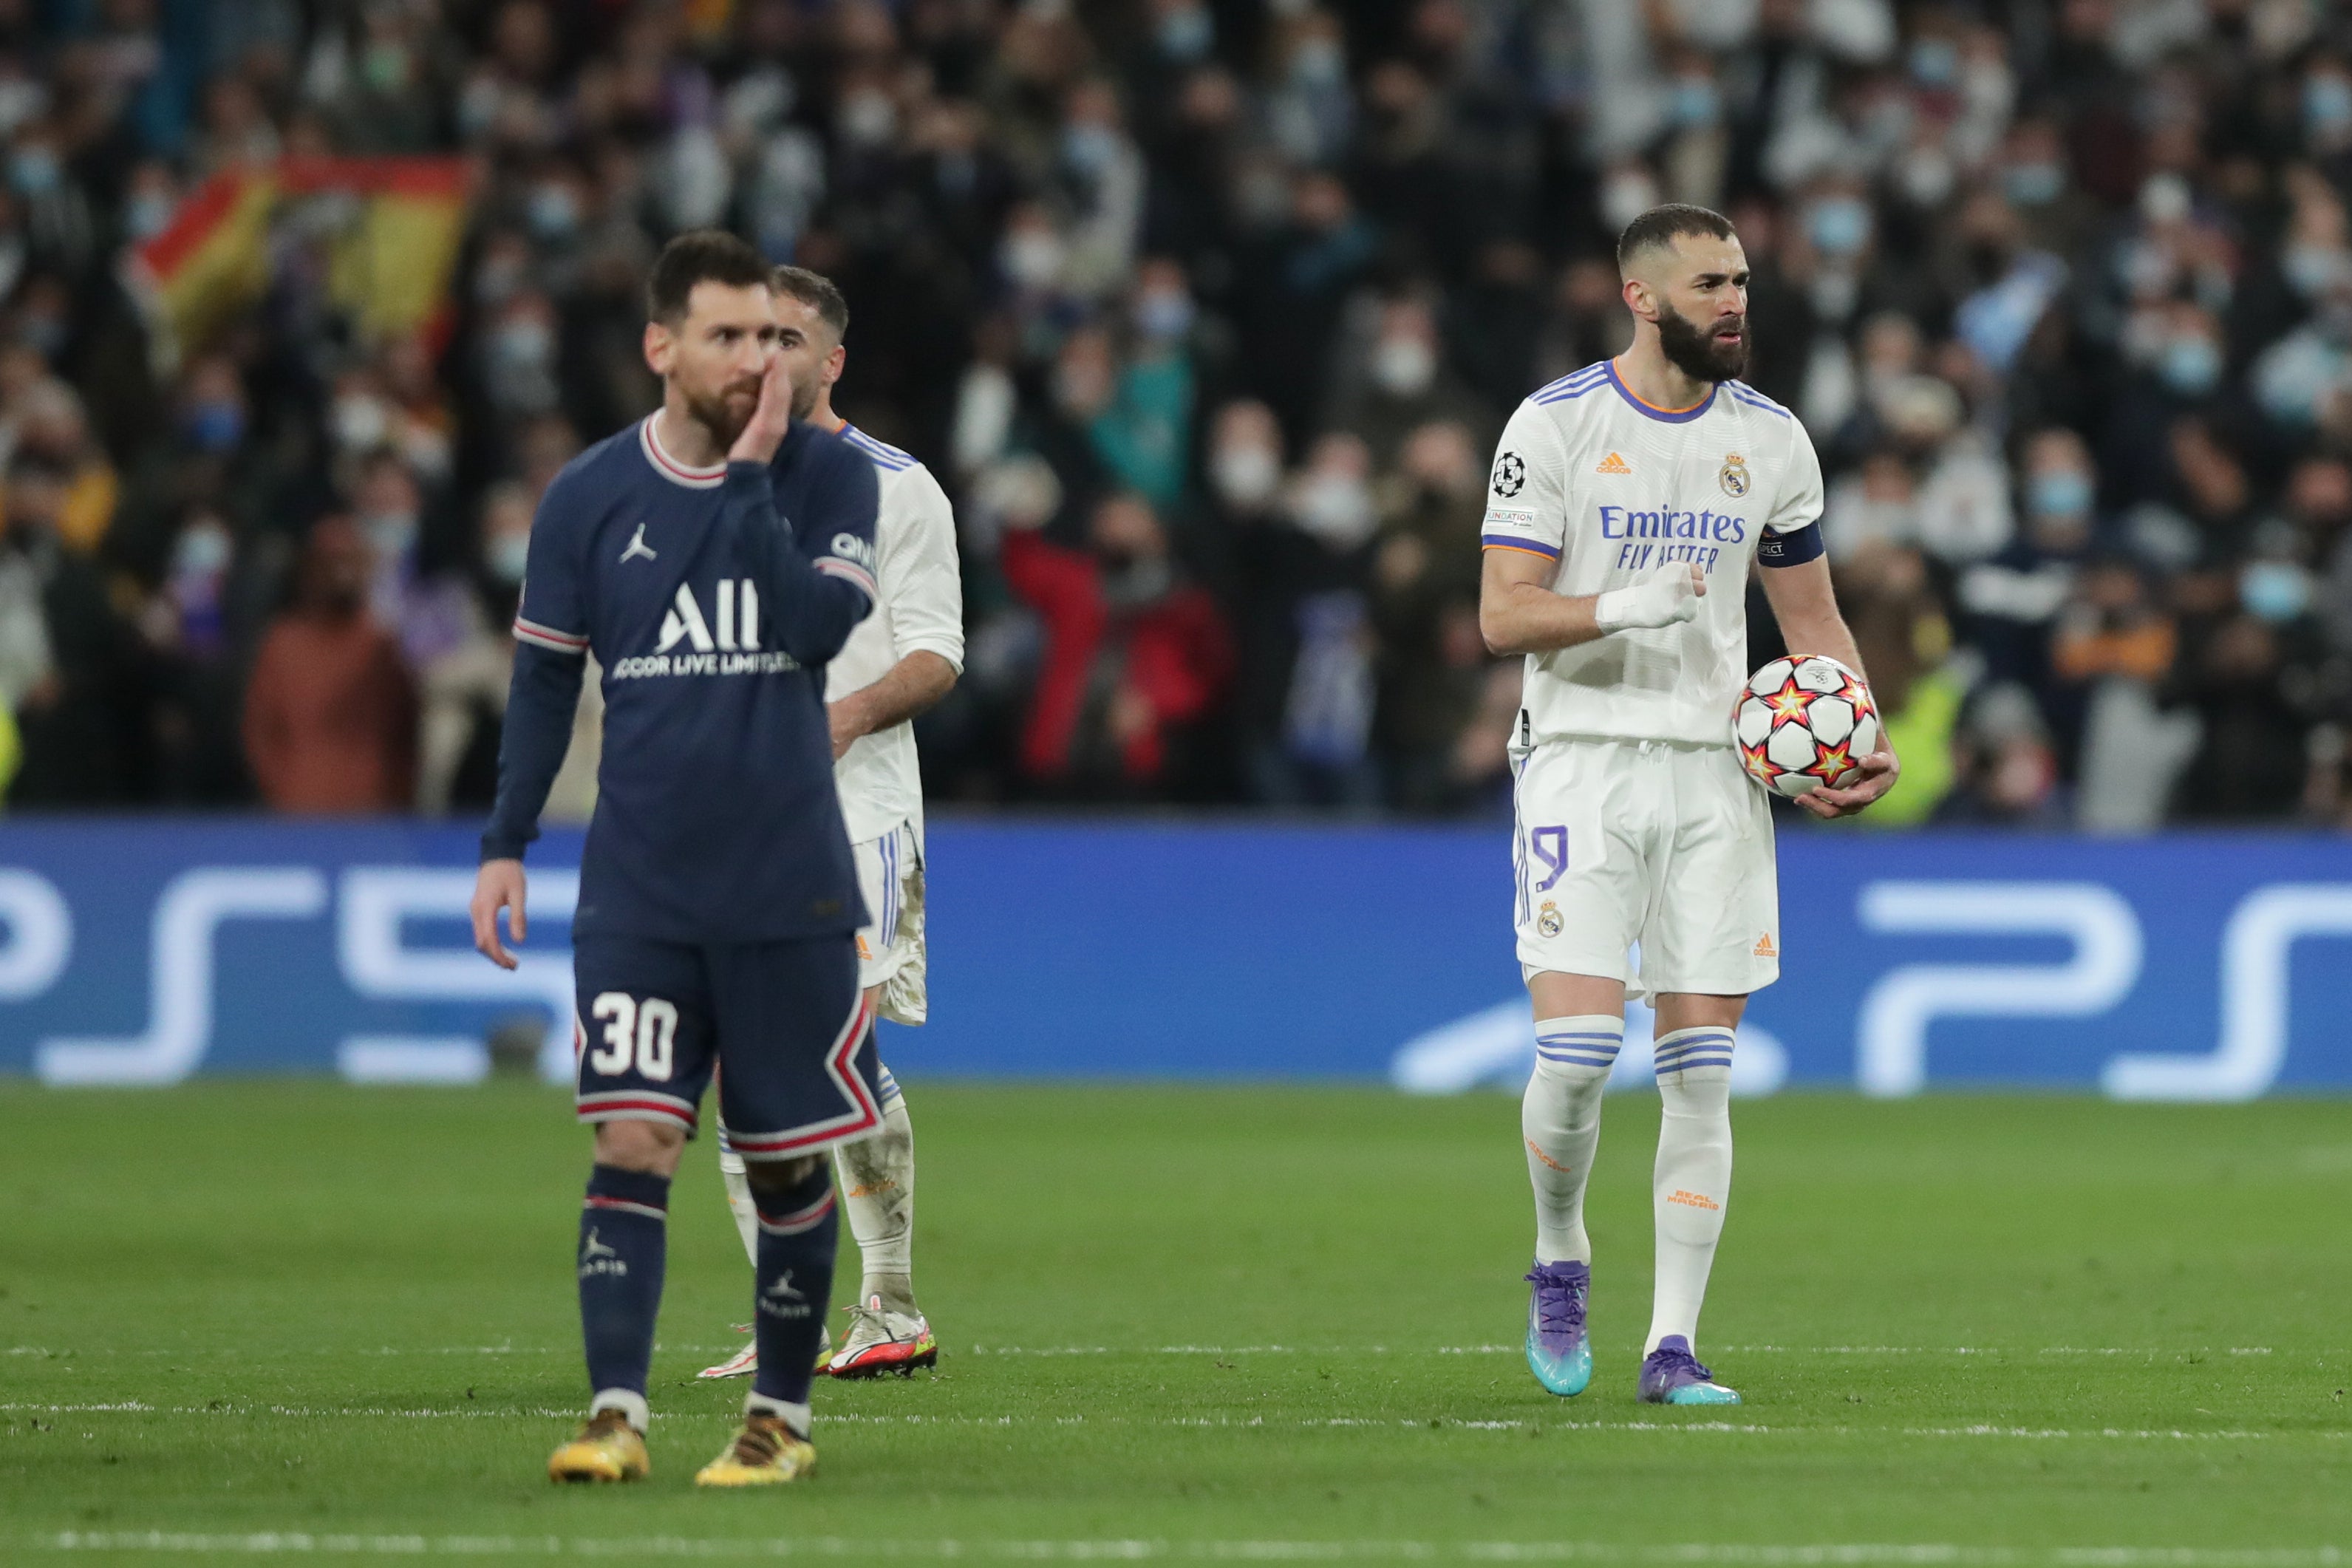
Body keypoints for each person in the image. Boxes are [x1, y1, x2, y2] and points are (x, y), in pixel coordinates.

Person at [468, 231, 882, 1488]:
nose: (758, 358)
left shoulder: (826, 481)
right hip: (641, 886)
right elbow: (543, 681)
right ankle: (615, 1414)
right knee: (633, 1142)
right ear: (663, 347)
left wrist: (754, 477)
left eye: (771, 336)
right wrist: (505, 843)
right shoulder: (589, 497)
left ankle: (778, 1419)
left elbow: (816, 628)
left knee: (783, 1159)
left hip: (788, 887)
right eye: (729, 336)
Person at [1477, 205, 1898, 1407]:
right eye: (1712, 281)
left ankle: (1672, 1345)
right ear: (1643, 296)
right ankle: (1561, 1252)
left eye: (1744, 281)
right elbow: (1503, 615)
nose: (1736, 301)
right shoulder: (1555, 424)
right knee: (1574, 1053)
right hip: (1580, 755)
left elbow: (1812, 626)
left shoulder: (1772, 440)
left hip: (1718, 774)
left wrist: (1852, 737)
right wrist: (1621, 606)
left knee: (1699, 1072)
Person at [699, 265, 964, 1385]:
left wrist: (844, 713)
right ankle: (789, 1321)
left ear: (832, 360)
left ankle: (891, 1301)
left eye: (791, 340)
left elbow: (938, 653)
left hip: (853, 811)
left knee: (828, 1050)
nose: (767, 358)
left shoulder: (898, 488)